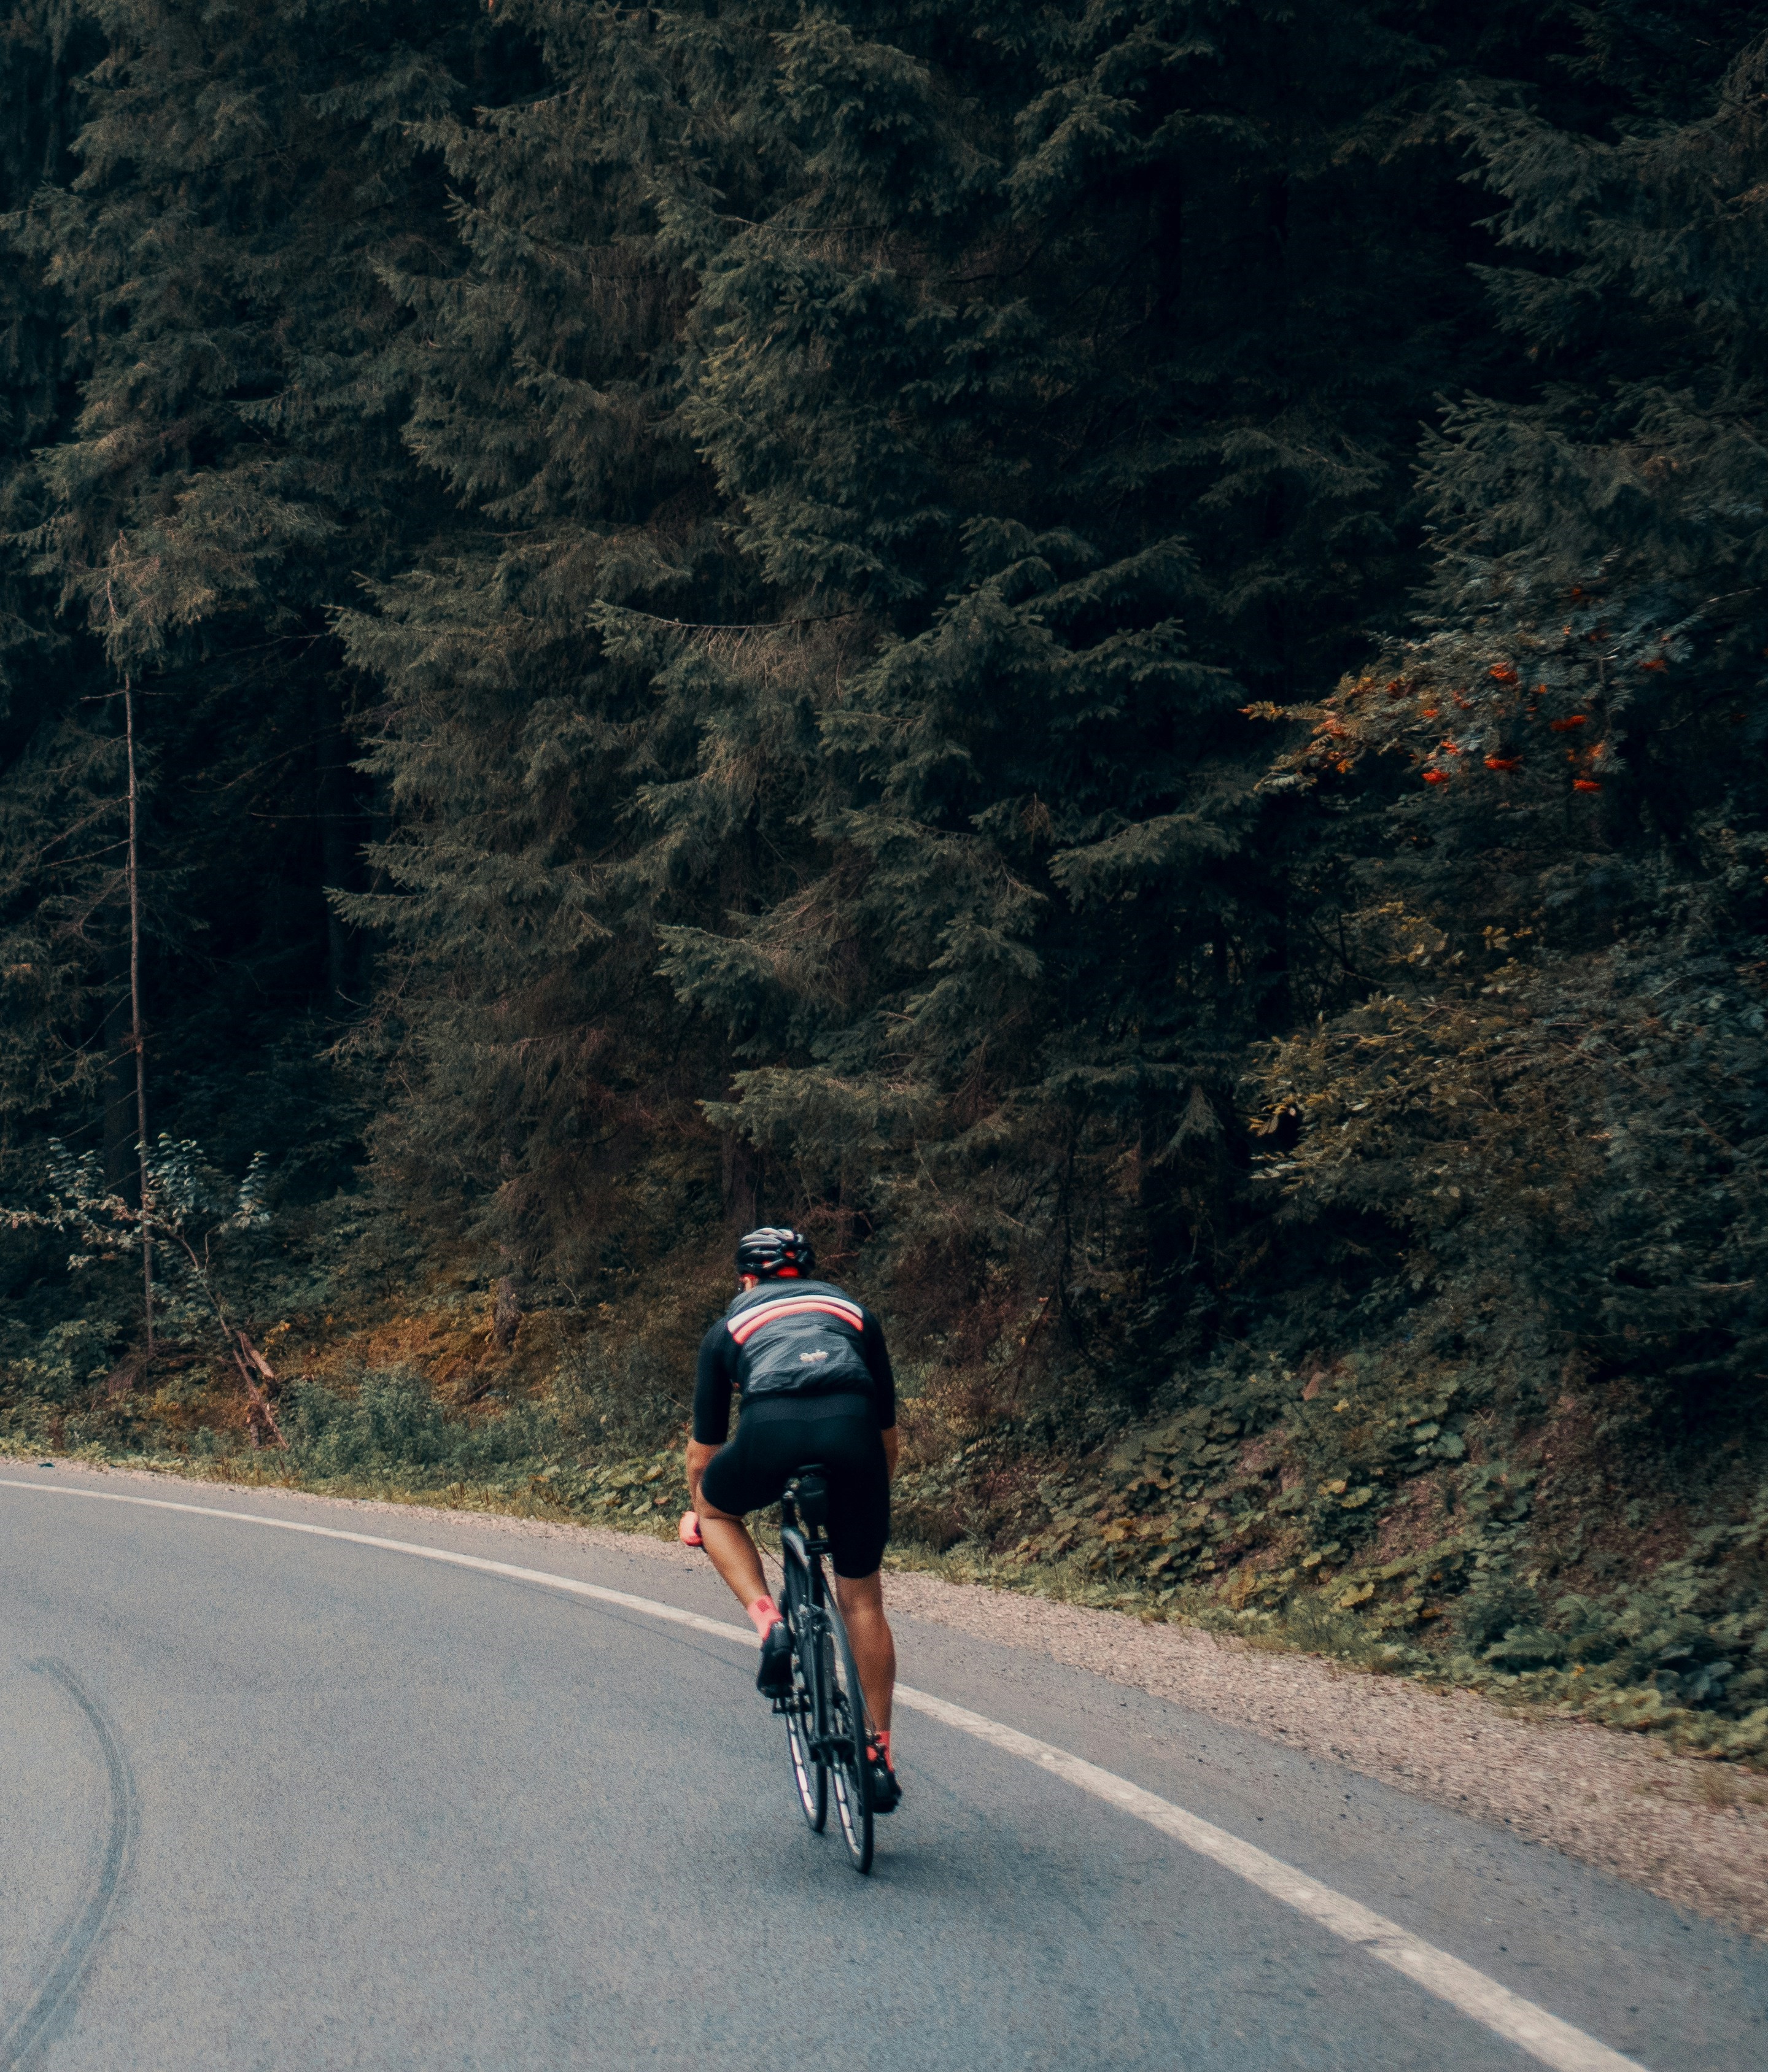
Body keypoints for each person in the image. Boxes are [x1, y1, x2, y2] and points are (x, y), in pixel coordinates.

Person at [681, 1226, 902, 1811]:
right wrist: (872, 1491)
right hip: (855, 1438)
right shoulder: (855, 1314)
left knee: (716, 1508)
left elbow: (704, 1456)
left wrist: (697, 1510)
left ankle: (769, 1624)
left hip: (768, 1429)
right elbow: (888, 1437)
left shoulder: (727, 1328)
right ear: (807, 1273)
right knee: (863, 1602)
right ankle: (878, 1752)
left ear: (746, 1280)